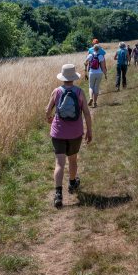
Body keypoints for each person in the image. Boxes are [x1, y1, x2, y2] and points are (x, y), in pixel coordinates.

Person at [46, 63, 93, 208]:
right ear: (73, 78)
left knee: (59, 163)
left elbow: (47, 112)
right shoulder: (79, 92)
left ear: (62, 77)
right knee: (72, 160)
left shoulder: (56, 91)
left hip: (58, 133)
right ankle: (72, 183)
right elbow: (86, 112)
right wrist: (89, 130)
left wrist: (50, 119)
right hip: (75, 133)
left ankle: (58, 194)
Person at [83, 39, 107, 108]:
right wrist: (105, 74)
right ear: (99, 49)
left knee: (91, 86)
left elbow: (85, 63)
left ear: (93, 49)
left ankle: (91, 98)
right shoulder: (101, 56)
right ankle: (95, 102)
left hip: (91, 72)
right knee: (96, 87)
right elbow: (103, 67)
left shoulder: (90, 55)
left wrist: (85, 71)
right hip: (99, 73)